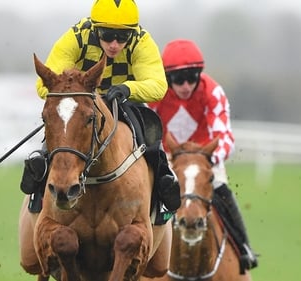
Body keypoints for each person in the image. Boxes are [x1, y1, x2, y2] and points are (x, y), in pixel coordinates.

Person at [18, 0, 181, 274]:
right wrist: (81, 94)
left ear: (132, 33)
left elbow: (158, 85)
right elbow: (43, 84)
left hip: (124, 103)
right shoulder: (77, 36)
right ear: (95, 30)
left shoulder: (141, 41)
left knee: (152, 137)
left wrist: (126, 89)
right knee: (59, 137)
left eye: (122, 36)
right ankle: (38, 192)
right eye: (107, 35)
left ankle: (163, 191)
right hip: (79, 105)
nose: (115, 43)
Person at [148, 39, 259, 272]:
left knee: (221, 188)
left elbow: (225, 137)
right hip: (166, 157)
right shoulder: (155, 92)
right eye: (179, 79)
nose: (187, 85)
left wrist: (206, 158)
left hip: (204, 159)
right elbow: (147, 132)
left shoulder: (212, 92)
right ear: (168, 78)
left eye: (192, 77)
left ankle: (243, 248)